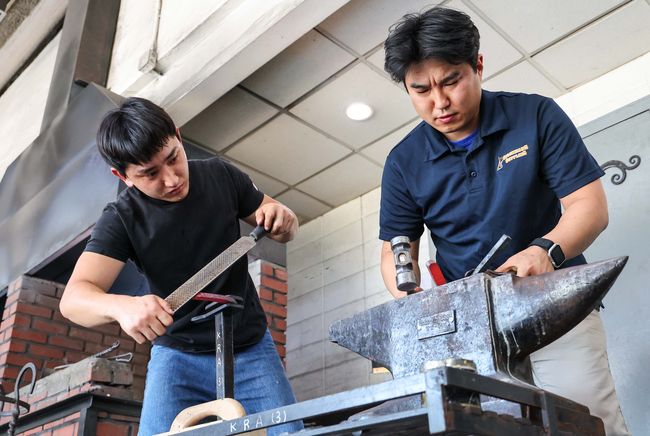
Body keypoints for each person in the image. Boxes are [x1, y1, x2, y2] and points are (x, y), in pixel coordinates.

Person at [378, 6, 628, 435]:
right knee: (498, 429)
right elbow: (396, 250)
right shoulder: (403, 162)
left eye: (451, 81)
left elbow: (590, 205)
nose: (439, 103)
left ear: (477, 65)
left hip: (558, 306)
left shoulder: (536, 116)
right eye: (421, 90)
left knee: (587, 420)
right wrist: (411, 297)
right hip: (474, 328)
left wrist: (544, 250)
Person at [59, 97, 303, 436]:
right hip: (177, 356)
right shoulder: (121, 218)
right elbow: (73, 300)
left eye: (173, 157)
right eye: (150, 173)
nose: (172, 179)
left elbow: (281, 222)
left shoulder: (221, 175)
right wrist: (120, 306)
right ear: (123, 176)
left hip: (249, 345)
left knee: (290, 433)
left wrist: (285, 219)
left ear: (177, 134)